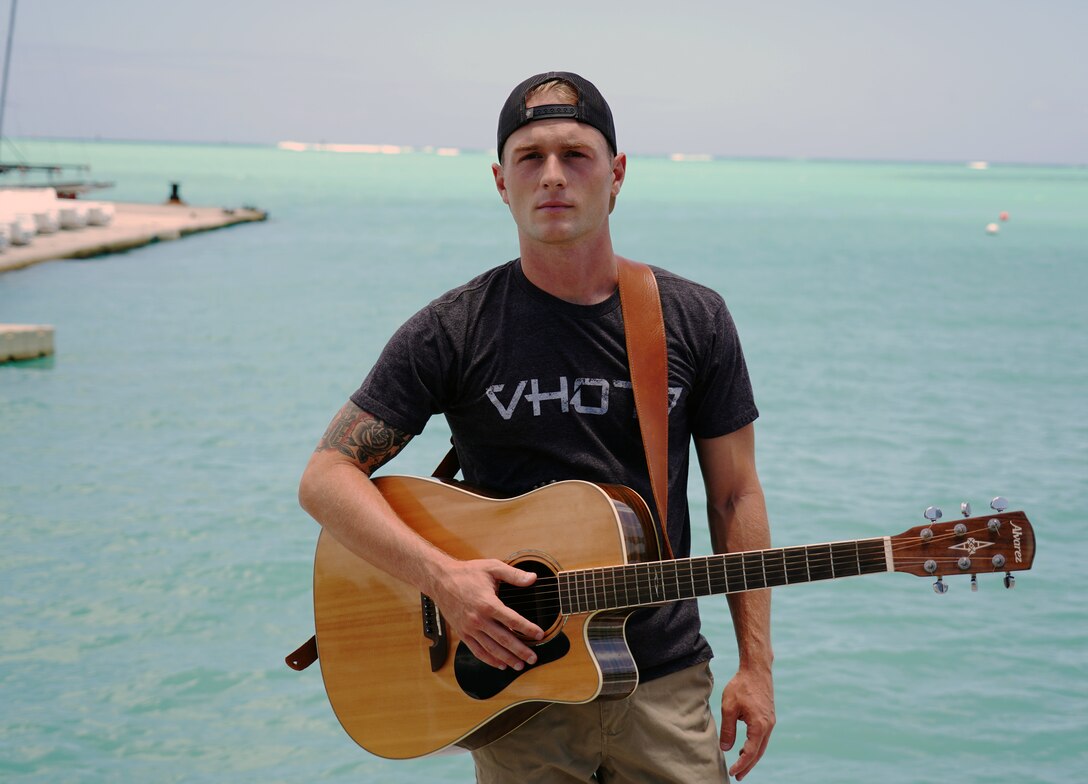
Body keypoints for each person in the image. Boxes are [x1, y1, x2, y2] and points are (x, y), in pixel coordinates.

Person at [298, 71, 775, 782]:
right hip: (517, 691)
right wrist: (447, 581)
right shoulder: (452, 330)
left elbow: (736, 496)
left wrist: (756, 669)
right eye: (530, 158)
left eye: (575, 155)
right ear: (500, 181)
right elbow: (325, 478)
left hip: (665, 684)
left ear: (616, 175)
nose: (553, 176)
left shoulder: (691, 319)